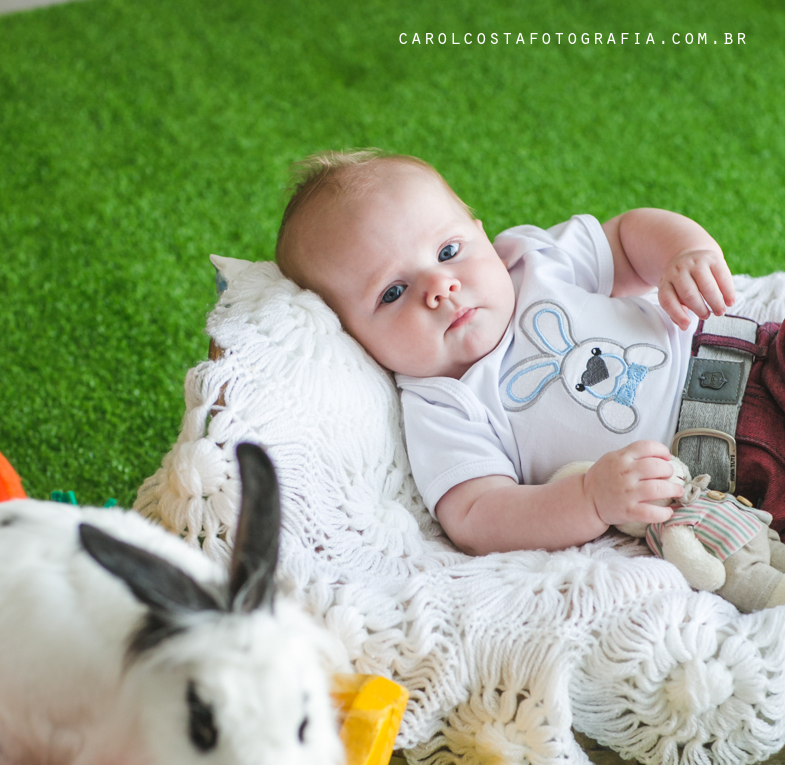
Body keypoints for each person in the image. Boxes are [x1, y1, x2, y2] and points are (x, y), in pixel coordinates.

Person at [275, 149, 785, 554]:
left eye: (448, 252)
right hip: (734, 469)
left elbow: (628, 238)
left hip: (754, 355)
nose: (440, 286)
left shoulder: (529, 261)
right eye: (391, 292)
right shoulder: (441, 404)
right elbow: (478, 516)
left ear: (480, 234)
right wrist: (588, 499)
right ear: (351, 337)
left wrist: (684, 253)